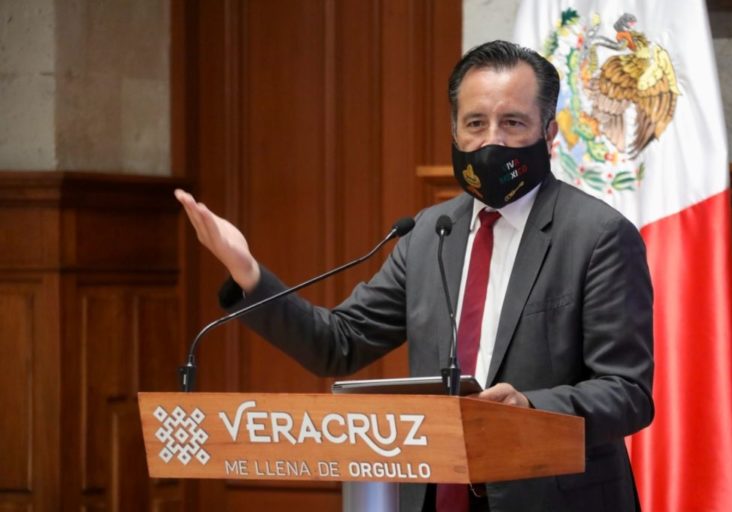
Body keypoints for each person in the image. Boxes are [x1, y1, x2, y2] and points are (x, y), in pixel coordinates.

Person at [176, 40, 654, 512]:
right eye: (475, 123)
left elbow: (628, 392)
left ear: (548, 134)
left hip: (550, 497)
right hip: (436, 493)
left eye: (512, 123)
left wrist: (531, 407)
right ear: (455, 132)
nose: (491, 141)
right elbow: (337, 344)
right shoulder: (430, 233)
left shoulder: (598, 235)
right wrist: (247, 271)